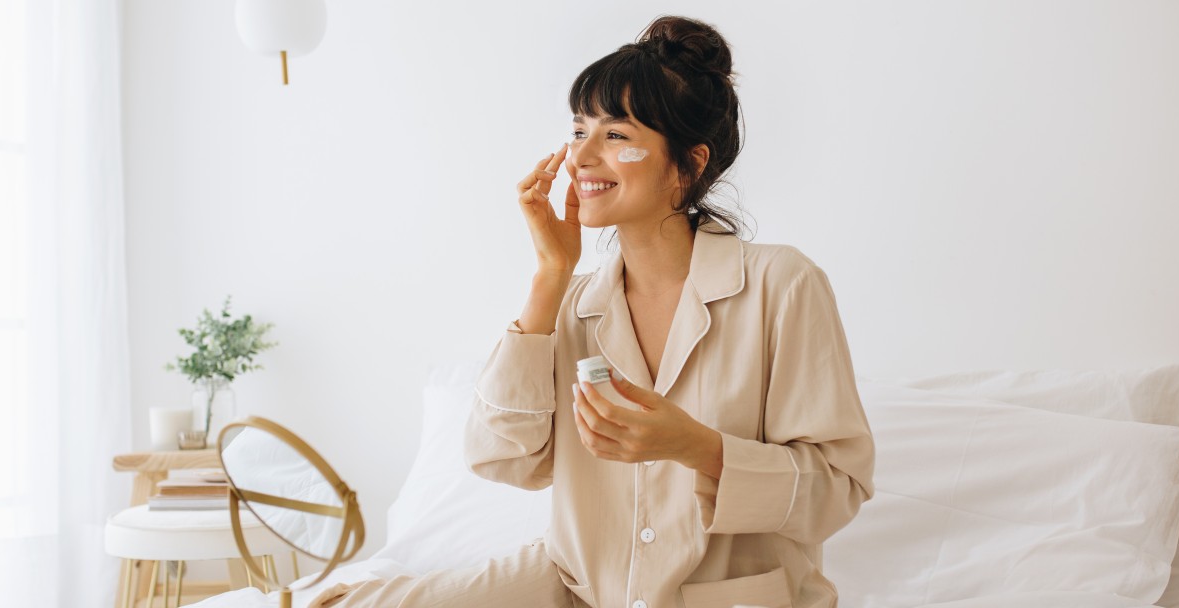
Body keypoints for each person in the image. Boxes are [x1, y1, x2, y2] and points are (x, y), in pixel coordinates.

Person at [309, 15, 874, 608]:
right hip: (578, 588)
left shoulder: (780, 284)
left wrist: (697, 447)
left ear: (689, 163)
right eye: (579, 130)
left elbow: (836, 491)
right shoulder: (575, 304)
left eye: (616, 134)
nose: (581, 155)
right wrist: (550, 277)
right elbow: (502, 458)